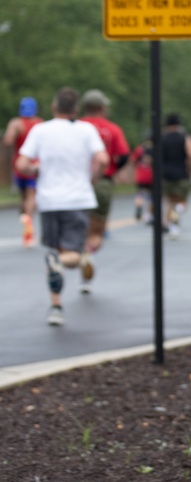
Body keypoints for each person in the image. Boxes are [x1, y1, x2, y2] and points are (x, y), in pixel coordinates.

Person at [15, 88, 109, 326]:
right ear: (75, 110)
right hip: (78, 198)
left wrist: (36, 170)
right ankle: (63, 264)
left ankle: (56, 306)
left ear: (54, 107)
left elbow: (22, 163)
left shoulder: (40, 130)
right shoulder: (86, 130)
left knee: (54, 252)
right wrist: (92, 178)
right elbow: (103, 159)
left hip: (48, 200)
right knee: (72, 257)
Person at [79, 89, 130, 293]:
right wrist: (113, 171)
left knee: (80, 225)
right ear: (101, 108)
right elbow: (124, 155)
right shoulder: (111, 129)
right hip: (102, 181)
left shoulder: (77, 127)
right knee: (97, 230)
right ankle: (88, 255)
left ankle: (77, 254)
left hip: (78, 182)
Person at [3, 97, 43, 246]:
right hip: (34, 165)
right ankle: (28, 218)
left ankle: (25, 216)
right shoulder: (40, 124)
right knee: (31, 194)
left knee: (23, 196)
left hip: (19, 164)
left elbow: (8, 141)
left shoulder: (16, 123)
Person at [161, 113, 191, 239]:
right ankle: (175, 218)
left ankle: (171, 226)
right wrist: (190, 170)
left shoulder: (162, 138)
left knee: (170, 201)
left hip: (165, 174)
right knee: (182, 202)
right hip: (181, 173)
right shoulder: (185, 138)